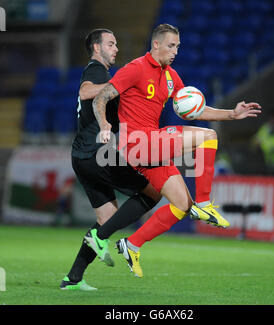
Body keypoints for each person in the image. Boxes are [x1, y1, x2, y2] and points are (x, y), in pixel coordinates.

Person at [93, 24, 261, 277]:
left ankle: (132, 244)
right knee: (209, 137)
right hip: (138, 143)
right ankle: (204, 203)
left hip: (151, 148)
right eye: (171, 46)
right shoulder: (136, 68)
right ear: (156, 44)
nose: (175, 52)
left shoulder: (171, 76)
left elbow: (197, 110)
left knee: (182, 205)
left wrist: (232, 114)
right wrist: (105, 124)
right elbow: (100, 98)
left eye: (178, 47)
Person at [60, 29, 161, 290]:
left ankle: (73, 279)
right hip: (96, 153)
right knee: (153, 192)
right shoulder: (96, 69)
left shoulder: (102, 73)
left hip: (81, 156)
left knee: (107, 217)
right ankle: (98, 237)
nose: (116, 48)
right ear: (96, 47)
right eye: (111, 43)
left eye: (116, 43)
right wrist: (119, 85)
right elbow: (85, 92)